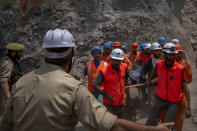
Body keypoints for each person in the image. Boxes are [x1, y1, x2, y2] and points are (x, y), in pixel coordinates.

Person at [0, 29, 173, 131]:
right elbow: (110, 125)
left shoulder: (21, 83)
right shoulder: (72, 87)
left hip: (118, 100)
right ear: (72, 56)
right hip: (103, 98)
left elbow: (6, 124)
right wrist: (152, 130)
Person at [145, 43, 189, 130]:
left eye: (173, 54)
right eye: (169, 54)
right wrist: (149, 80)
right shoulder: (160, 64)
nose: (172, 56)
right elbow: (154, 70)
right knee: (151, 119)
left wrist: (189, 107)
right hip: (160, 98)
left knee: (167, 123)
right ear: (165, 54)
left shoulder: (180, 69)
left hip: (173, 102)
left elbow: (186, 87)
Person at [160, 43, 192, 131]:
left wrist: (188, 107)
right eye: (176, 53)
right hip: (165, 98)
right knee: (164, 124)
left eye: (179, 53)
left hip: (179, 98)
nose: (178, 55)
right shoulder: (162, 65)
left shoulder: (185, 64)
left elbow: (188, 82)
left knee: (177, 125)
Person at [92, 48, 129, 118]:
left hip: (121, 102)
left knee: (120, 122)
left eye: (119, 61)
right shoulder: (104, 71)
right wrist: (106, 95)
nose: (117, 63)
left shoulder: (124, 67)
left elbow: (126, 77)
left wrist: (125, 87)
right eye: (115, 60)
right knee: (111, 123)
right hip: (109, 103)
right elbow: (94, 84)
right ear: (111, 59)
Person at [0, 43, 24, 116]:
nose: (21, 54)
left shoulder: (13, 61)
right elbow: (3, 80)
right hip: (7, 98)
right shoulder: (7, 62)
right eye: (20, 52)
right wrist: (8, 98)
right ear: (14, 52)